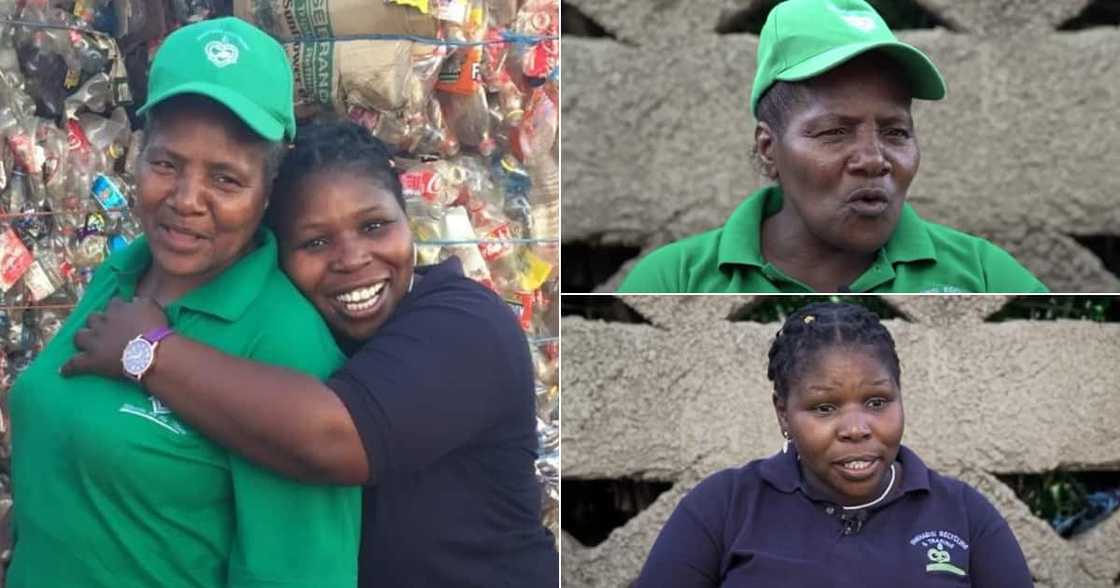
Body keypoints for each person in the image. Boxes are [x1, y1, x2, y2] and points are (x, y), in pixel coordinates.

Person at [60, 120, 559, 586]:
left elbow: (332, 438)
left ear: (408, 223)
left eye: (374, 226)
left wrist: (147, 351)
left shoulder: (466, 328)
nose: (352, 260)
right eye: (315, 241)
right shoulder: (293, 333)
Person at [6, 18, 360, 588]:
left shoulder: (282, 342)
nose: (186, 201)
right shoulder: (126, 270)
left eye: (225, 180)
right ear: (138, 154)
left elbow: (300, 573)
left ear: (269, 190)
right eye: (166, 164)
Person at [619, 0, 1047, 294]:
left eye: (896, 132)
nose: (873, 160)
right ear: (769, 149)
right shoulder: (674, 280)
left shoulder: (984, 275)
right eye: (834, 133)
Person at [634, 302, 1034, 587]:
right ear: (783, 414)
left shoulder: (963, 513)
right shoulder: (724, 506)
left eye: (877, 402)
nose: (856, 428)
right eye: (824, 408)